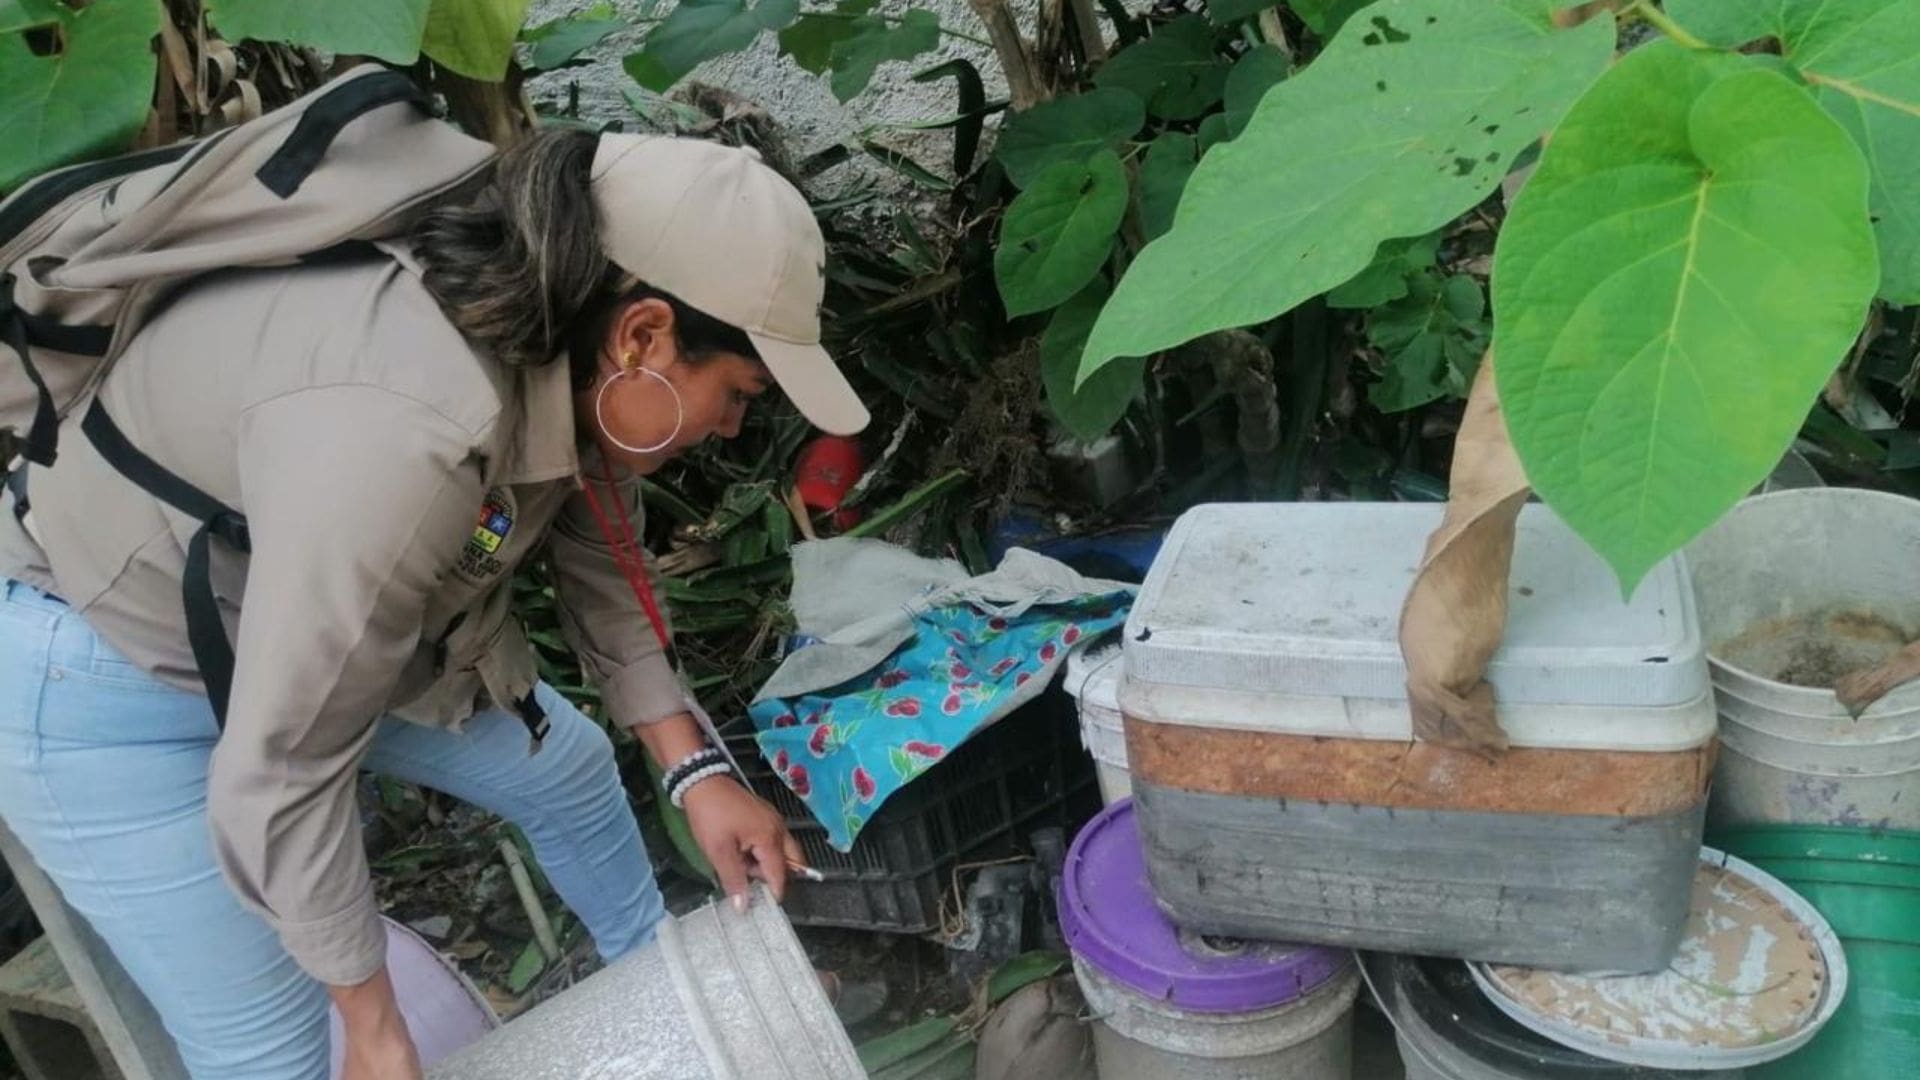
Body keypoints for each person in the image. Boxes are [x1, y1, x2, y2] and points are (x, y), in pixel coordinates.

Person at [0, 127, 869, 1079]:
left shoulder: (552, 335)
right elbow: (285, 767)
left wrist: (693, 768)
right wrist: (373, 1028)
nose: (736, 426)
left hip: (296, 625)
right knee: (274, 1055)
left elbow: (595, 542)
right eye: (738, 392)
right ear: (644, 334)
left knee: (566, 770)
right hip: (101, 678)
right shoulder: (405, 433)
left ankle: (684, 1004)